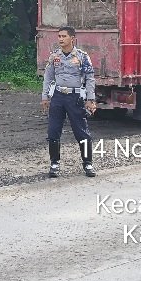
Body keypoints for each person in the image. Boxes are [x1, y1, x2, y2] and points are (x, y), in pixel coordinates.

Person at [40, 26, 97, 178]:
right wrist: (44, 97)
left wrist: (91, 99)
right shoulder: (54, 56)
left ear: (72, 38)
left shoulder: (82, 56)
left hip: (75, 98)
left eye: (63, 36)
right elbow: (48, 77)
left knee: (82, 132)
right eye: (59, 36)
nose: (60, 39)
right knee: (53, 131)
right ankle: (54, 164)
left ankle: (88, 163)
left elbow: (90, 78)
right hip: (58, 97)